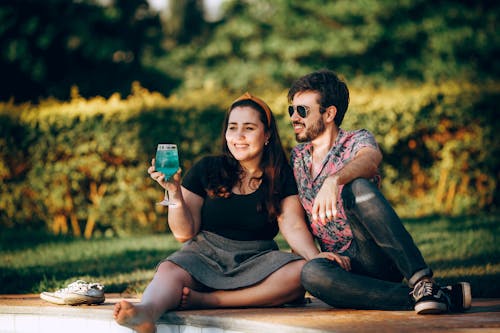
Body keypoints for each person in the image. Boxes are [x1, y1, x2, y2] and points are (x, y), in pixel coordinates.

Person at [113, 92, 349, 333]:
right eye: (232, 128)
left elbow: (292, 224)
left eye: (248, 128)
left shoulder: (281, 174)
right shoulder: (206, 168)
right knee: (170, 270)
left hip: (258, 260)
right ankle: (147, 312)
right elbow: (184, 233)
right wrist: (174, 193)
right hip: (204, 256)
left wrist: (314, 258)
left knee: (301, 272)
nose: (239, 136)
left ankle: (208, 300)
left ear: (267, 135)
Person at [287, 69, 472, 314]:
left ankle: (422, 281)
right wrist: (312, 259)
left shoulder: (355, 140)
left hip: (375, 254)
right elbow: (295, 217)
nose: (293, 118)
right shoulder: (297, 158)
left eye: (302, 111)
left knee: (358, 186)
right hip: (341, 267)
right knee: (311, 272)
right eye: (292, 110)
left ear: (329, 113)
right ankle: (434, 296)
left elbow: (371, 158)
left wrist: (334, 180)